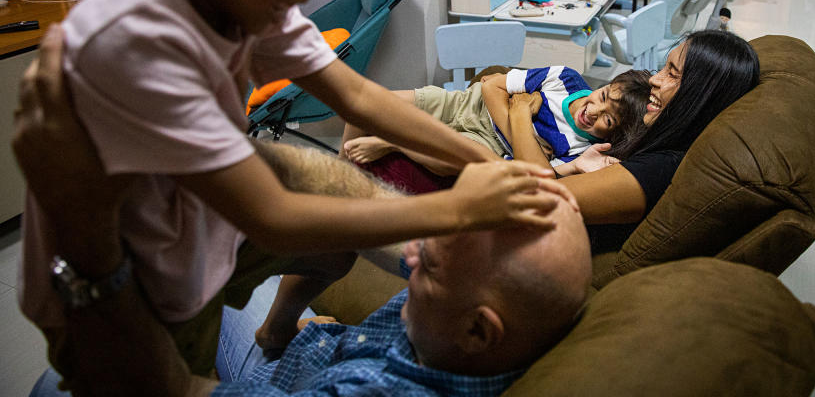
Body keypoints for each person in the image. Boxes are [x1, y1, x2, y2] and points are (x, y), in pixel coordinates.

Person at [19, 0, 571, 382]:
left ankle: (274, 327)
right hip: (135, 281)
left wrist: (486, 166)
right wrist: (457, 211)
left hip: (193, 224)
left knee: (335, 210)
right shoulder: (138, 46)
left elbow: (356, 94)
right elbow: (271, 216)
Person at [13, 42, 592, 396]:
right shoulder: (463, 311)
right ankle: (273, 330)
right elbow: (355, 100)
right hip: (318, 349)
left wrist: (86, 239)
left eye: (429, 265)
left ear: (478, 332)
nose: (410, 257)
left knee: (53, 385)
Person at [506, 30, 760, 251]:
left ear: (699, 96)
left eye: (672, 74)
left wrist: (519, 114)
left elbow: (536, 196)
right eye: (664, 67)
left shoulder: (659, 169)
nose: (654, 79)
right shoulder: (656, 138)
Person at [342, 67, 651, 174]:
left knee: (460, 156)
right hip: (469, 102)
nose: (594, 111)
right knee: (368, 100)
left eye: (607, 121)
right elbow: (491, 86)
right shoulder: (564, 78)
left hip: (490, 144)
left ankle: (395, 143)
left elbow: (541, 172)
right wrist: (521, 131)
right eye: (603, 95)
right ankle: (341, 166)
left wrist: (521, 110)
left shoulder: (583, 147)